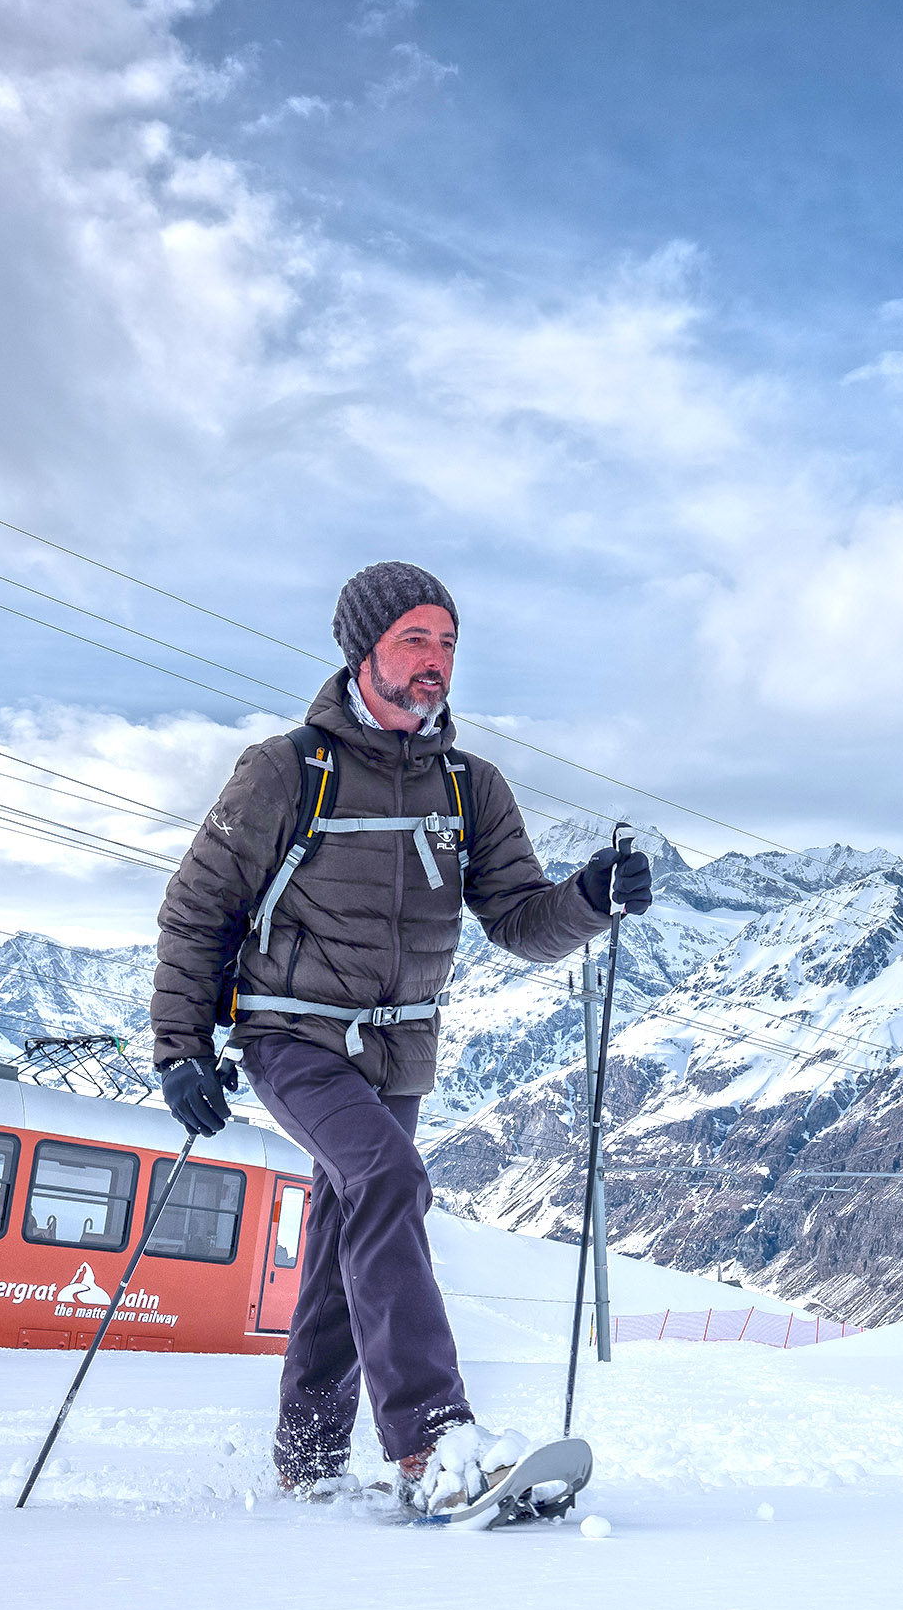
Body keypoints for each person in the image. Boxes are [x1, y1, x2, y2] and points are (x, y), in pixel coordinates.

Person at [151, 560, 651, 1514]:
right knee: (387, 1181)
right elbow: (197, 912)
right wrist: (179, 1050)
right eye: (415, 640)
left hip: (398, 1055)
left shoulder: (470, 788)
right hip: (290, 1035)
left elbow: (517, 921)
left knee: (350, 1230)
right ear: (362, 650)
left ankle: (306, 1457)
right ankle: (432, 1443)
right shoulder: (285, 768)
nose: (435, 663)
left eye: (448, 643)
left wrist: (588, 899)